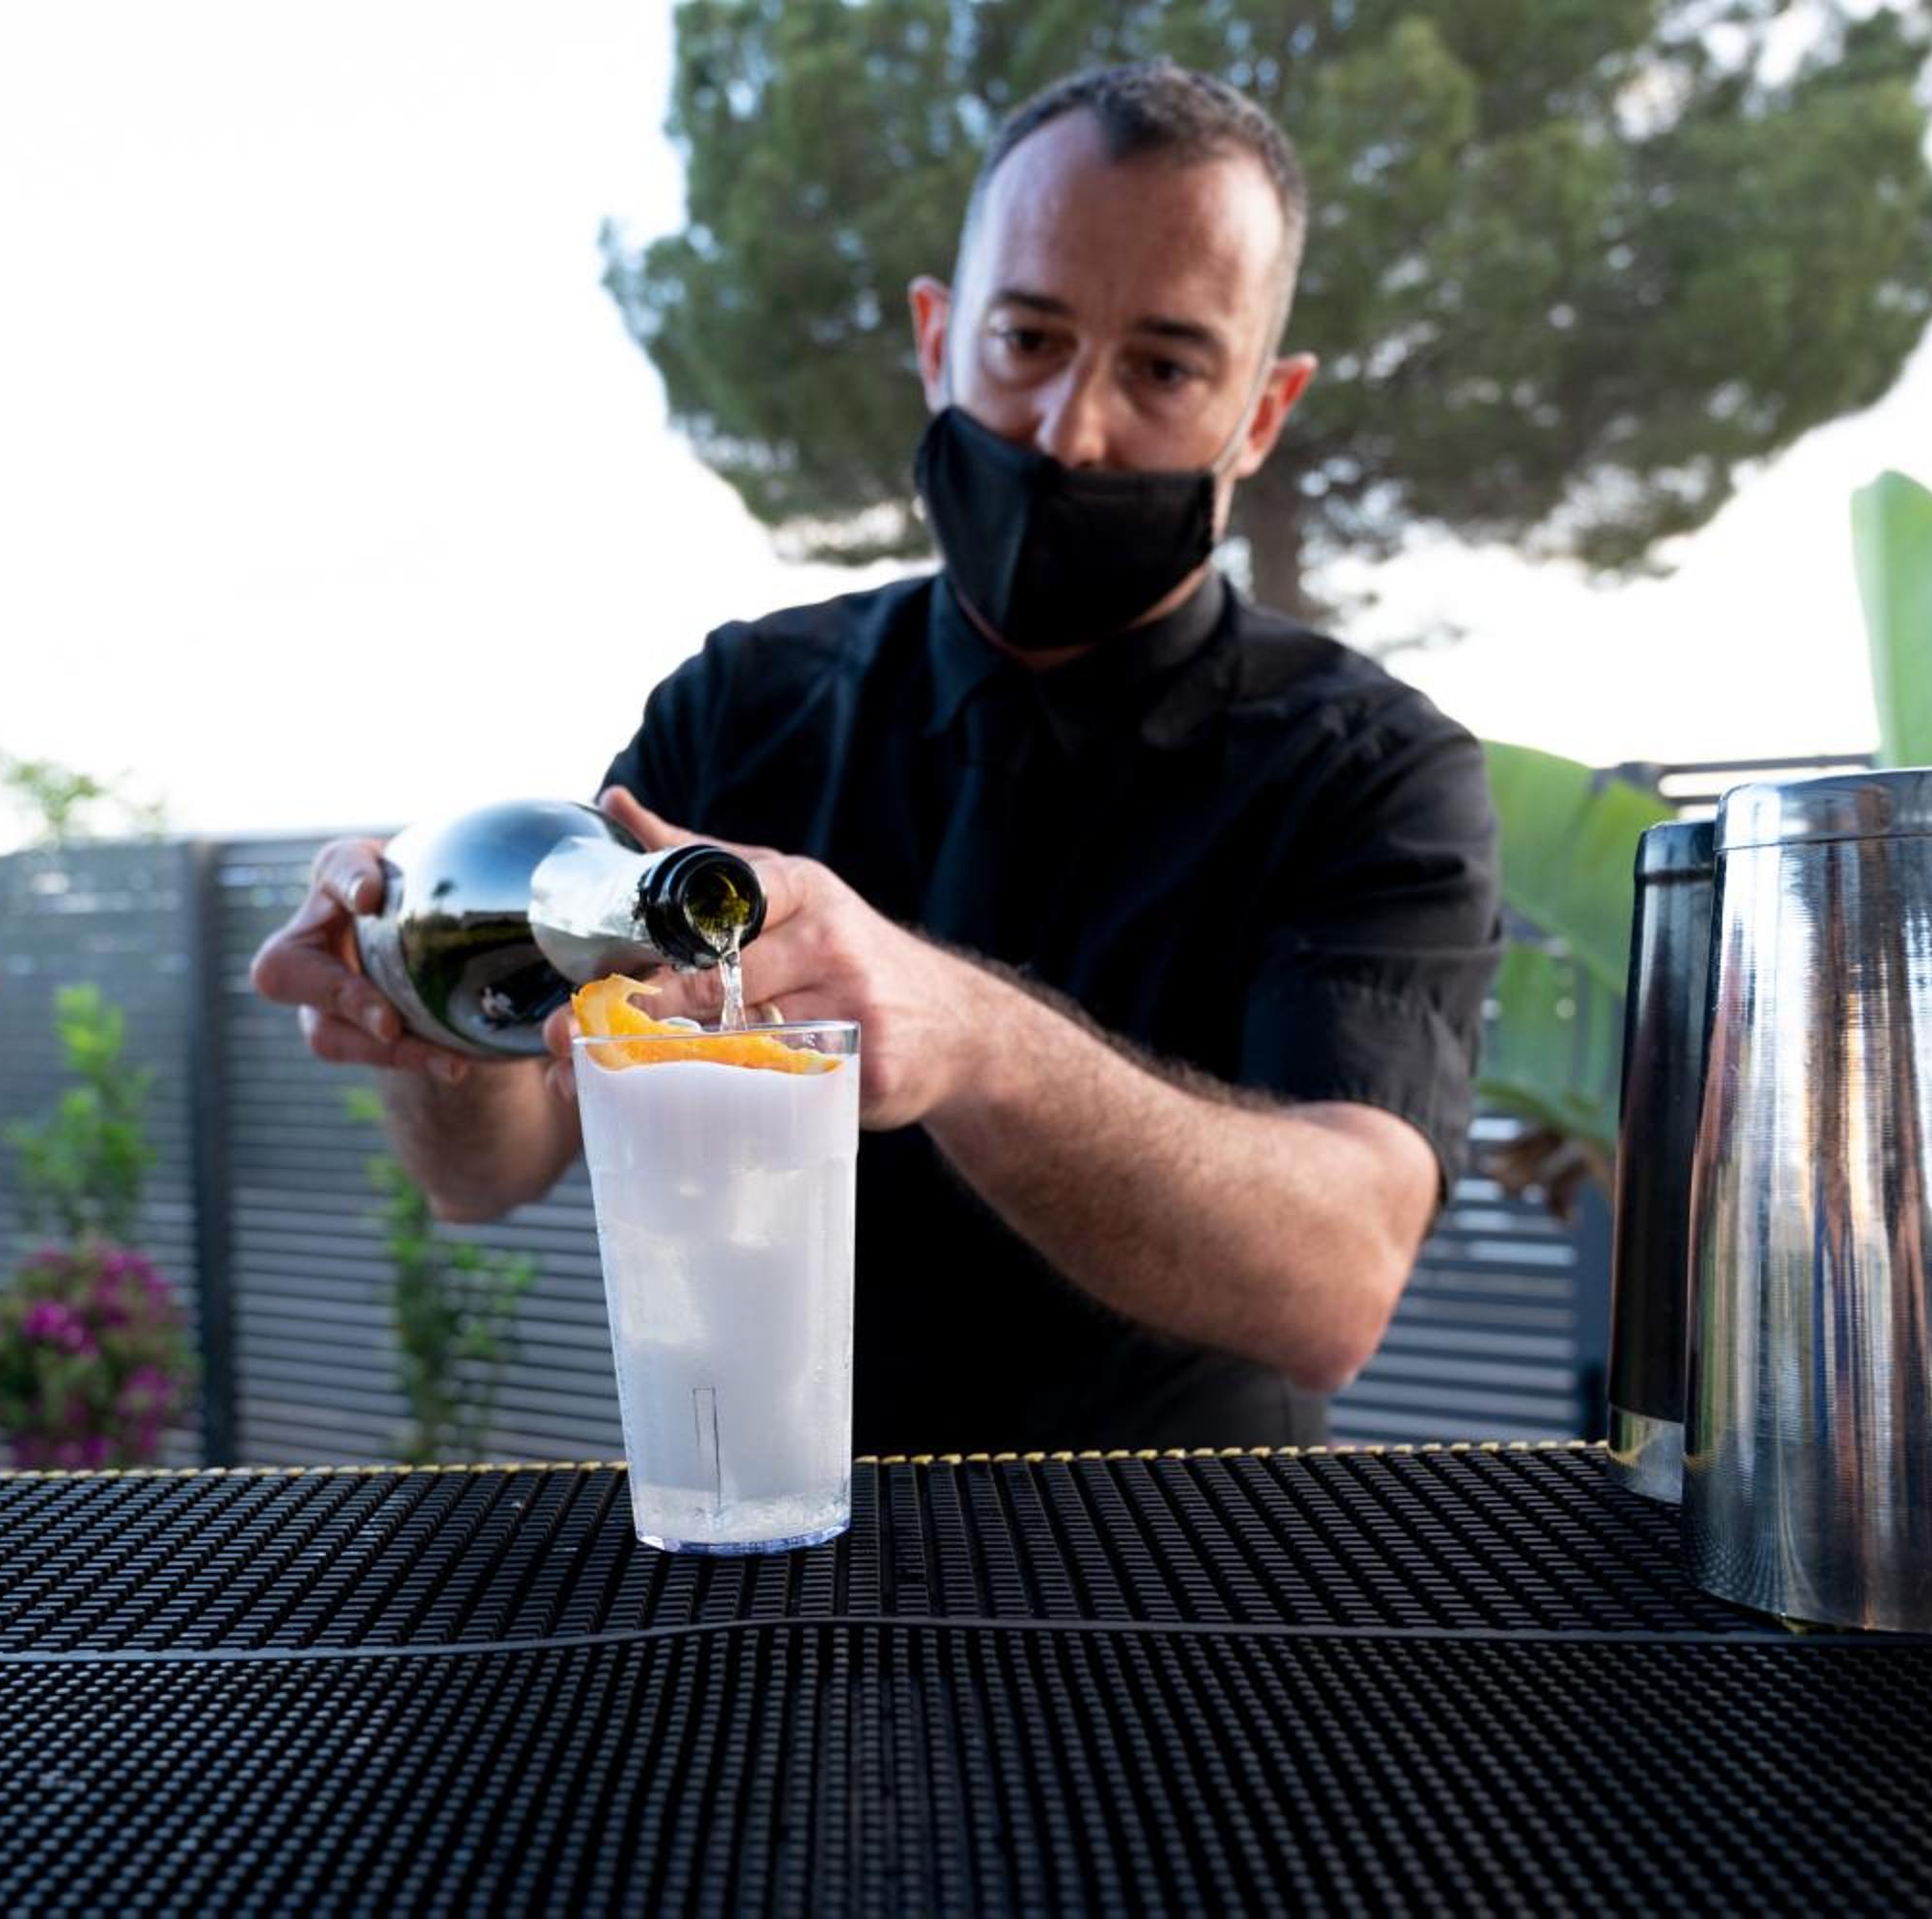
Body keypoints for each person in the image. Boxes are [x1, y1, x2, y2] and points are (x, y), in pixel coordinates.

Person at [252, 62, 1501, 1452]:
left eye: (1163, 368)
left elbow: (1337, 1285)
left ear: (1260, 413)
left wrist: (969, 1036)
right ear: (937, 338)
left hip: (1184, 1554)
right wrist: (421, 994)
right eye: (1027, 339)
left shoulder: (1376, 772)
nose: (1071, 429)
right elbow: (496, 1170)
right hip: (758, 1520)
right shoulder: (741, 705)